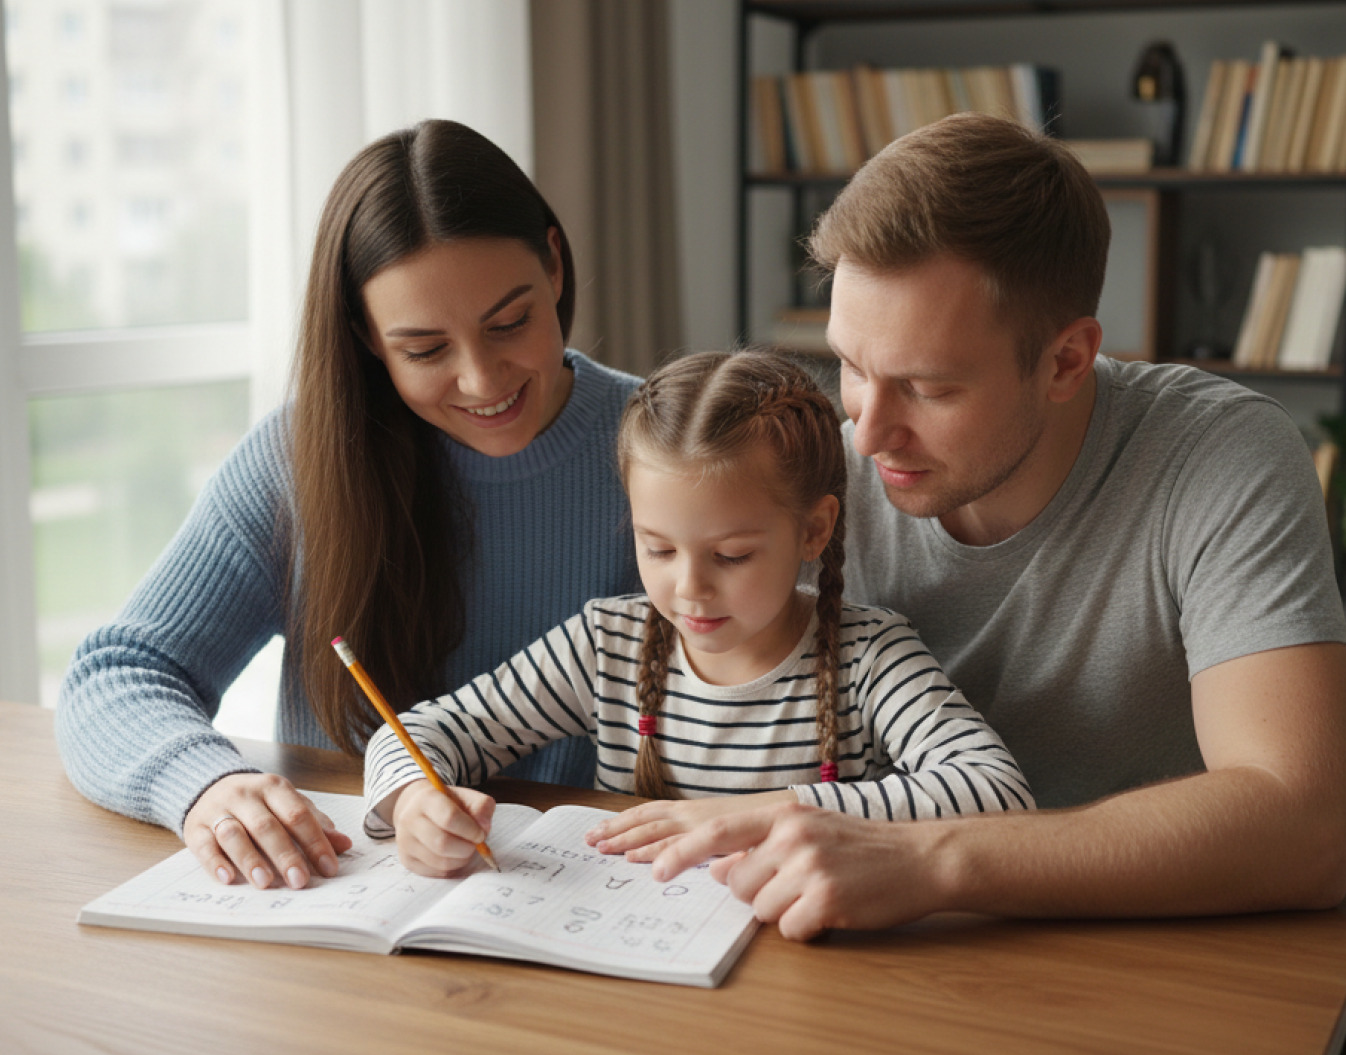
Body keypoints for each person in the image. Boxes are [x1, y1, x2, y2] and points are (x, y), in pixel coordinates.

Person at [650, 113, 1346, 940]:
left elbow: (1306, 828)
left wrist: (935, 858)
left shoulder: (1219, 456)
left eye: (928, 387)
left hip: (1149, 956)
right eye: (849, 365)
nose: (869, 433)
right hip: (871, 952)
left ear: (1065, 360)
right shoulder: (815, 481)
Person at [55, 120, 642, 894]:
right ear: (368, 335)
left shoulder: (669, 447)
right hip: (347, 912)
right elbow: (119, 672)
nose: (481, 379)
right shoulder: (303, 460)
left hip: (592, 904)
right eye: (426, 350)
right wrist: (204, 785)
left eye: (510, 323)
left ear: (556, 265)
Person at [362, 351, 1033, 877]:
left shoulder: (867, 656)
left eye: (732, 555)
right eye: (657, 548)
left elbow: (997, 793)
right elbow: (415, 732)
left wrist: (762, 814)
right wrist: (416, 802)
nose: (689, 589)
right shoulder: (608, 646)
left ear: (813, 529)